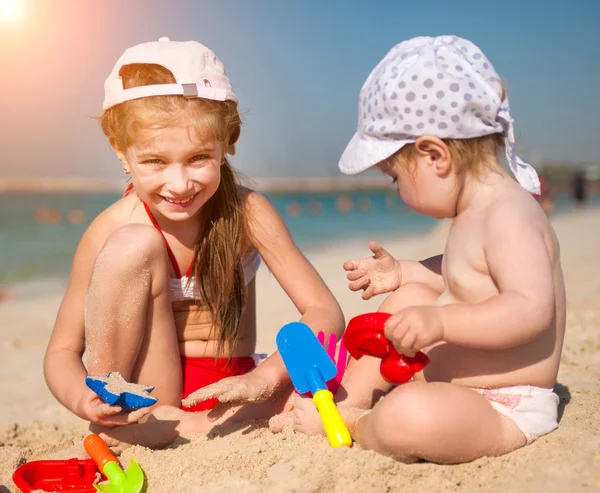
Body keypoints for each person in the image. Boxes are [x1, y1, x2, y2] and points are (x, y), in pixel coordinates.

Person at [44, 37, 344, 450]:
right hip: (147, 395)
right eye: (155, 162)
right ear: (121, 152)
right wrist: (84, 399)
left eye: (198, 158)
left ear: (228, 142)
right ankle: (126, 420)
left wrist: (265, 377)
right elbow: (62, 351)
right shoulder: (112, 225)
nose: (180, 184)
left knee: (353, 377)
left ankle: (175, 428)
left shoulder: (246, 213)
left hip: (233, 391)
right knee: (131, 245)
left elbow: (324, 311)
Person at [283, 36, 566, 464]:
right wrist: (405, 273)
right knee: (407, 301)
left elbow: (529, 308)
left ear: (434, 155)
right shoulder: (475, 211)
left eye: (396, 178)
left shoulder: (510, 215)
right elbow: (469, 276)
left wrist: (441, 321)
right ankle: (346, 397)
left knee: (409, 418)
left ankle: (355, 422)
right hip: (456, 387)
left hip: (502, 403)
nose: (397, 192)